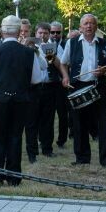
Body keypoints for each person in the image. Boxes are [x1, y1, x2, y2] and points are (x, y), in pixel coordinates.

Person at [0, 16, 44, 186]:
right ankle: (13, 177)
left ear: (2, 31)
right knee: (15, 137)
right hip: (20, 101)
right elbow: (36, 79)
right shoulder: (29, 53)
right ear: (20, 31)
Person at [58, 13, 106, 166]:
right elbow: (63, 63)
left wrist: (103, 71)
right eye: (86, 24)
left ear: (96, 27)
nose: (89, 26)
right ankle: (82, 159)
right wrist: (65, 77)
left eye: (92, 23)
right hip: (78, 86)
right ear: (81, 27)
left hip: (98, 87)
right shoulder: (72, 42)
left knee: (103, 123)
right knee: (78, 123)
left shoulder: (105, 43)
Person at [24, 22, 59, 160]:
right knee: (31, 121)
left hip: (49, 86)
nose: (43, 35)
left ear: (49, 34)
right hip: (34, 87)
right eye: (40, 33)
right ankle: (32, 152)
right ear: (35, 33)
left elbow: (54, 63)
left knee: (48, 120)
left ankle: (47, 148)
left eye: (45, 33)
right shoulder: (30, 45)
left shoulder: (51, 46)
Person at [49, 20, 71, 148]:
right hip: (50, 84)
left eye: (58, 32)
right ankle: (46, 139)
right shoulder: (44, 45)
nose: (55, 35)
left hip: (62, 84)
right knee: (48, 115)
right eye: (53, 32)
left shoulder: (67, 44)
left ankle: (62, 140)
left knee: (63, 114)